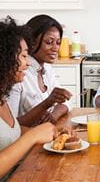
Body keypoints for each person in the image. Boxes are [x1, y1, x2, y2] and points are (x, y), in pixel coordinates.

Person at [0, 17, 55, 181]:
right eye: (23, 56)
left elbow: (10, 133)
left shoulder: (2, 98)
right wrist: (33, 136)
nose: (27, 64)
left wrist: (51, 132)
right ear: (5, 58)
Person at [8, 14, 72, 127]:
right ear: (31, 41)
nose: (55, 48)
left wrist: (54, 115)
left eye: (58, 42)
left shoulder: (47, 68)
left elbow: (67, 102)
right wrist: (47, 103)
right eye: (49, 42)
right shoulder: (17, 74)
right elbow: (11, 128)